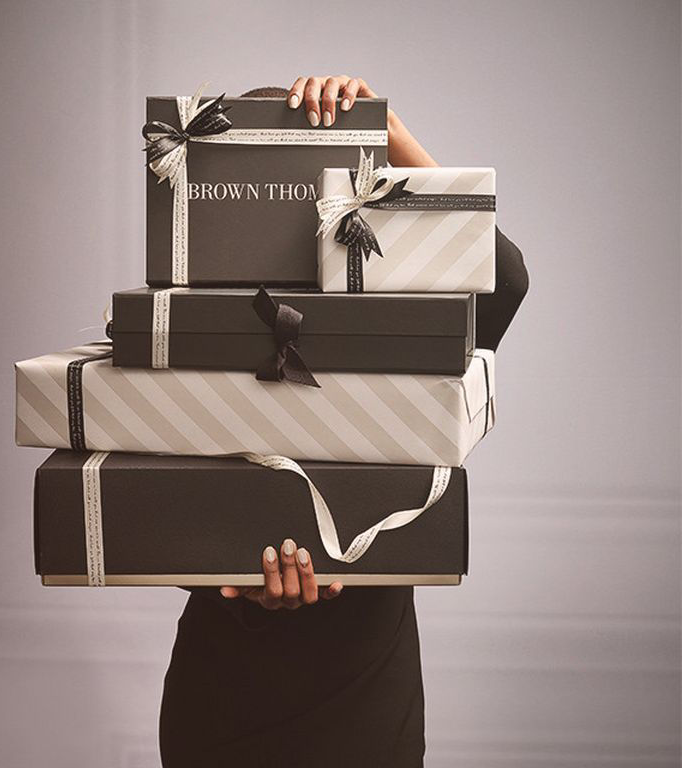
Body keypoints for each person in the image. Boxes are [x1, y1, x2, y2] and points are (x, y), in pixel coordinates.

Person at [159, 76, 529, 768]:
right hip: (223, 703)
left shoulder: (402, 318)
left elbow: (504, 275)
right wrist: (235, 581)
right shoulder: (190, 320)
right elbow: (153, 496)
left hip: (365, 697)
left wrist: (382, 133)